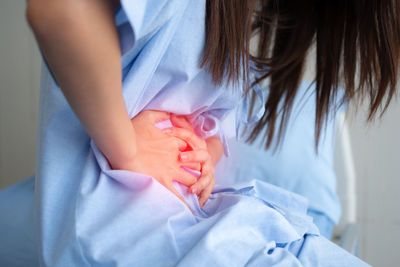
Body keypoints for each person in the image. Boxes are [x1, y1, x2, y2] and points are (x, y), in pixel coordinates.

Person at [0, 0, 398, 266]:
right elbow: (60, 12)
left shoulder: (227, 22)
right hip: (136, 239)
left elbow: (206, 113)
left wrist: (204, 154)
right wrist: (127, 147)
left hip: (197, 228)